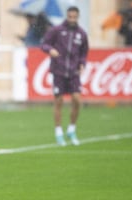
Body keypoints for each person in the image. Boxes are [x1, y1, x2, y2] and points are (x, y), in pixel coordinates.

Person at [41, 6, 89, 146]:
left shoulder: (82, 34)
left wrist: (82, 64)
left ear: (77, 17)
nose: (72, 19)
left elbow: (84, 53)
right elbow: (44, 44)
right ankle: (58, 132)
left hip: (74, 72)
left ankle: (72, 129)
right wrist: (51, 50)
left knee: (77, 99)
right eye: (70, 17)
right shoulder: (56, 30)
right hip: (58, 71)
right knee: (59, 101)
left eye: (74, 17)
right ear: (66, 16)